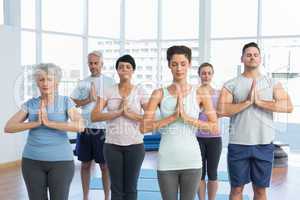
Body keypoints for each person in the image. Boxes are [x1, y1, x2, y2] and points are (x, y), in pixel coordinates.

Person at [140, 45, 218, 200]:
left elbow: (214, 127)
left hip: (192, 160)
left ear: (189, 64)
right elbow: (143, 127)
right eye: (174, 64)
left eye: (183, 63)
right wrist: (172, 118)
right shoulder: (159, 93)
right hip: (166, 159)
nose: (179, 68)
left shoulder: (200, 93)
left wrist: (187, 118)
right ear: (169, 65)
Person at [217, 42, 293, 200]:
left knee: (260, 191)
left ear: (260, 59)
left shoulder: (272, 83)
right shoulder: (231, 84)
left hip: (263, 144)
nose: (252, 57)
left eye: (255, 55)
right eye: (248, 54)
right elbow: (222, 110)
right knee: (236, 189)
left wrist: (260, 102)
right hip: (238, 144)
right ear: (242, 58)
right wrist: (246, 102)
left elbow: (288, 106)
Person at [4, 63, 85, 200]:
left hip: (61, 162)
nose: (45, 83)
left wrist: (50, 123)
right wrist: (35, 123)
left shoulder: (65, 102)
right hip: (32, 161)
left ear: (57, 81)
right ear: (37, 82)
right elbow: (9, 127)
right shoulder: (31, 104)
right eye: (41, 79)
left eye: (49, 79)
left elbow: (80, 126)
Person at [91, 54, 148, 200]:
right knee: (116, 188)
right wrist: (117, 113)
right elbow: (95, 116)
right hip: (112, 146)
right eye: (121, 67)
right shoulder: (108, 90)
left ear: (133, 70)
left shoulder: (140, 91)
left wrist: (129, 114)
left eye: (128, 67)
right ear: (117, 70)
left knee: (130, 188)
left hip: (135, 145)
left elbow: (150, 119)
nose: (124, 69)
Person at [71, 51, 114, 200]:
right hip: (85, 128)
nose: (93, 66)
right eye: (90, 63)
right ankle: (85, 197)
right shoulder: (83, 82)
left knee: (104, 166)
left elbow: (114, 103)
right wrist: (89, 99)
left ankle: (107, 197)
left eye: (96, 63)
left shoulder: (110, 82)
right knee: (85, 165)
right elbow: (74, 102)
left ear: (102, 64)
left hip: (103, 129)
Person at [196, 62, 222, 200]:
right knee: (200, 172)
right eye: (203, 73)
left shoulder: (218, 94)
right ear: (199, 75)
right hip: (198, 137)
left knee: (213, 172)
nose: (206, 75)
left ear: (212, 75)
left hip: (214, 138)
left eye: (209, 73)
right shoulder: (195, 93)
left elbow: (222, 112)